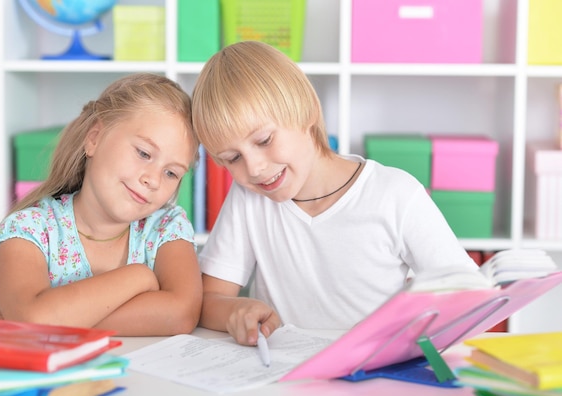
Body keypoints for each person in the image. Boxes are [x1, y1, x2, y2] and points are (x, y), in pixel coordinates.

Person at [191, 41, 481, 346]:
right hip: (282, 381)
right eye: (232, 159)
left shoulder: (396, 194)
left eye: (263, 140)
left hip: (374, 376)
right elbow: (209, 299)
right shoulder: (248, 198)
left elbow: (469, 296)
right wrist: (236, 309)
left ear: (307, 111)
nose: (254, 168)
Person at [0, 73, 202, 336]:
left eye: (171, 173)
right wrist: (138, 276)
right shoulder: (30, 229)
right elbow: (34, 318)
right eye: (143, 153)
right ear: (94, 138)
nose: (153, 180)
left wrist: (61, 319)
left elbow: (182, 314)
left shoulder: (166, 228)